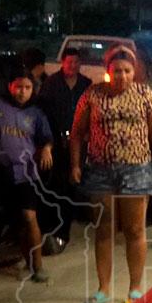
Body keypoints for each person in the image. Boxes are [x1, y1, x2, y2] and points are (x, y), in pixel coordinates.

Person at [70, 46, 152, 303]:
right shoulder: (92, 95)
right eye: (117, 71)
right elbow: (77, 133)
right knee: (104, 229)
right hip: (100, 170)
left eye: (127, 71)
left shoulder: (145, 94)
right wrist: (75, 165)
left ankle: (135, 288)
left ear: (134, 71)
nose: (122, 76)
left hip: (137, 170)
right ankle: (103, 288)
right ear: (108, 71)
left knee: (135, 229)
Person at [0, 72, 55, 283]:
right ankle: (27, 260)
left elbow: (47, 138)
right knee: (17, 221)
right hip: (1, 173)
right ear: (10, 86)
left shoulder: (36, 113)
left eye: (27, 87)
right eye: (18, 87)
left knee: (29, 216)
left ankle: (38, 266)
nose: (22, 92)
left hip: (27, 174)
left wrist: (47, 149)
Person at [39, 47, 92, 246]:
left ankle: (64, 231)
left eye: (76, 62)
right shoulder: (51, 83)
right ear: (63, 62)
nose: (73, 66)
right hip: (55, 142)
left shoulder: (86, 84)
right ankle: (51, 228)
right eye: (69, 62)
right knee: (54, 186)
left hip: (78, 143)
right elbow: (43, 113)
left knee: (72, 185)